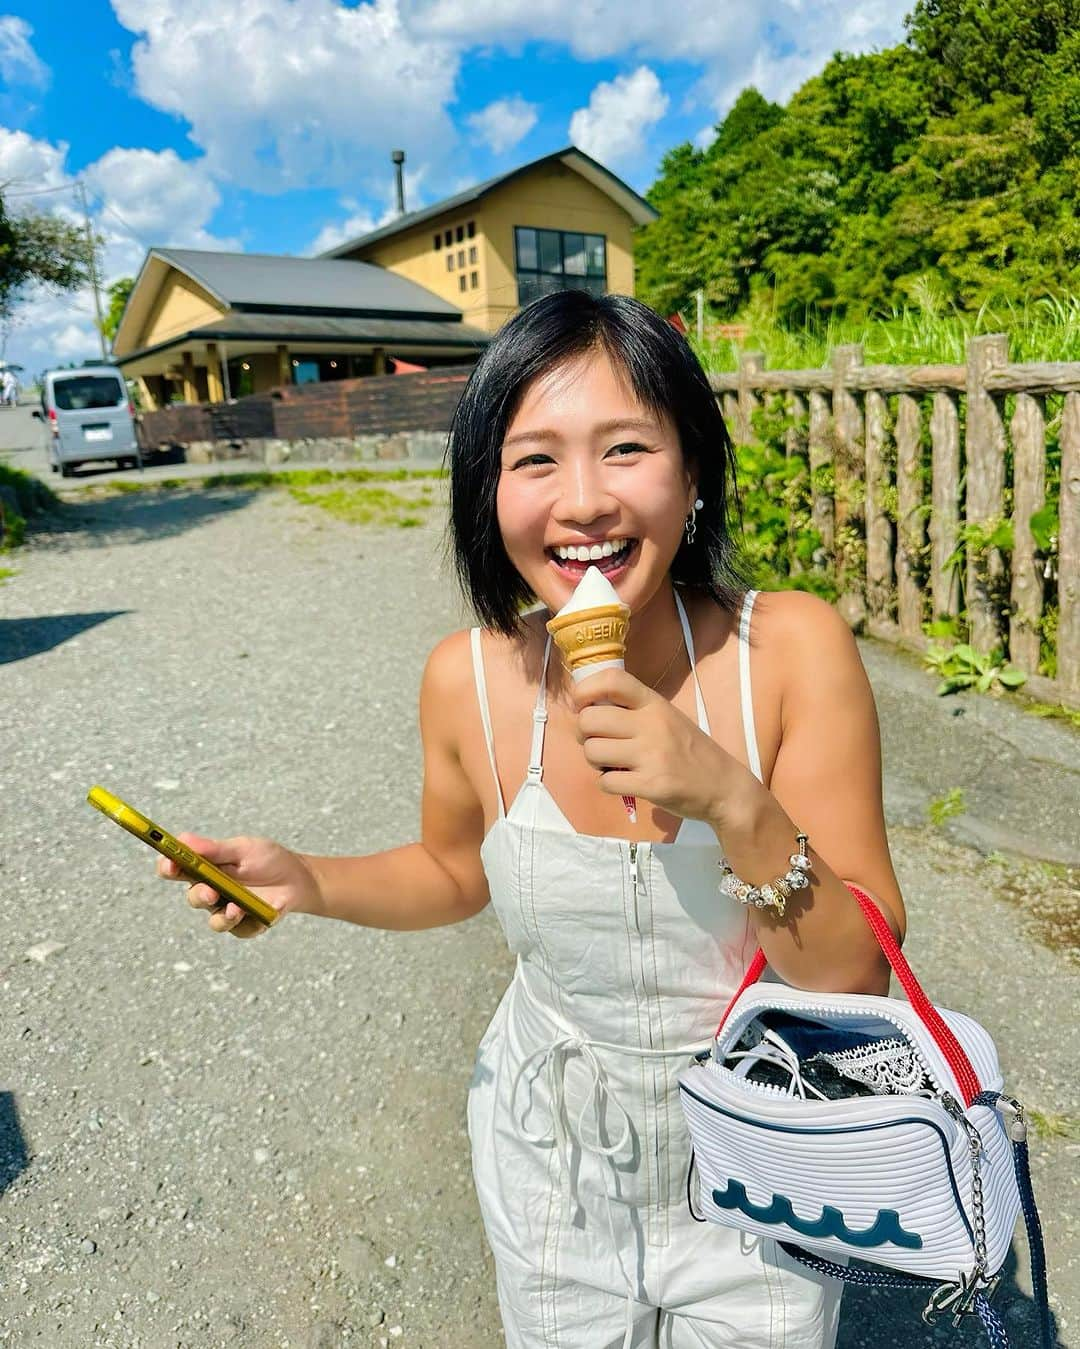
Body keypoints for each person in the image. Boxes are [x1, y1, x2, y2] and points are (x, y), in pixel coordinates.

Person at [157, 291, 906, 1349]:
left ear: (693, 473)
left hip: (760, 1172)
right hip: (550, 1159)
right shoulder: (466, 678)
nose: (585, 502)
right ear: (487, 493)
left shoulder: (786, 652)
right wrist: (308, 880)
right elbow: (452, 870)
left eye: (627, 448)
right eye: (535, 459)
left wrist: (733, 799)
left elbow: (857, 972)